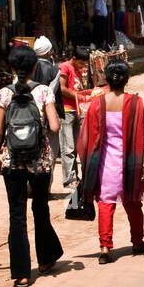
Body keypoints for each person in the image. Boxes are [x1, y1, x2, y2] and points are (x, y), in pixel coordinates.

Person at [0, 44, 63, 287]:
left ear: (11, 68)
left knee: (16, 215)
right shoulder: (43, 92)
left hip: (12, 161)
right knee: (40, 208)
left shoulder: (4, 94)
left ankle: (22, 273)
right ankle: (45, 261)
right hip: (40, 161)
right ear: (34, 67)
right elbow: (54, 127)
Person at [78, 60, 144, 264]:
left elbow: (86, 138)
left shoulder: (96, 104)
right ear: (126, 79)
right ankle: (137, 242)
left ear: (106, 80)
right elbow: (143, 135)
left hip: (105, 164)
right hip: (129, 161)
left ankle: (105, 247)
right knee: (133, 203)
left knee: (105, 204)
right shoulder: (136, 103)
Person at [32, 36, 65, 192]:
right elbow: (52, 92)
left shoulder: (29, 67)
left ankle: (30, 185)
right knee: (50, 151)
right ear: (47, 52)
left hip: (30, 115)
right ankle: (45, 187)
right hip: (49, 115)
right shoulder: (54, 70)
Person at [57, 46, 92, 189]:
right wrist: (80, 96)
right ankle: (69, 178)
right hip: (66, 111)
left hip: (77, 110)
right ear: (74, 59)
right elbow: (62, 88)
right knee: (68, 147)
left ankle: (77, 177)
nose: (83, 66)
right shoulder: (65, 67)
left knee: (78, 146)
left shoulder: (78, 70)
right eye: (81, 63)